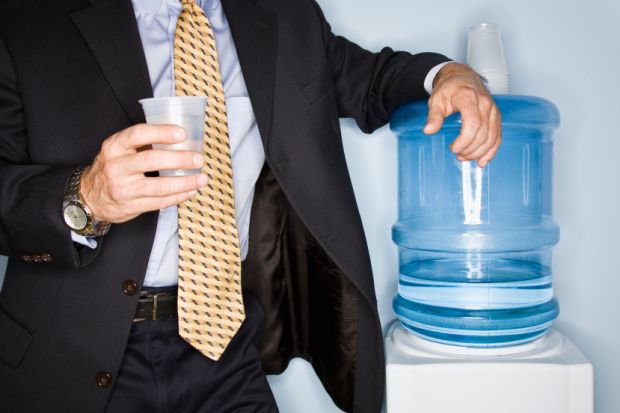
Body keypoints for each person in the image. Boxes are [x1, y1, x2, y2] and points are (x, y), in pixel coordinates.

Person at [0, 0, 500, 412]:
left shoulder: (284, 16)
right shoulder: (28, 21)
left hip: (223, 344)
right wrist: (85, 196)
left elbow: (373, 80)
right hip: (71, 347)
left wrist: (450, 75)